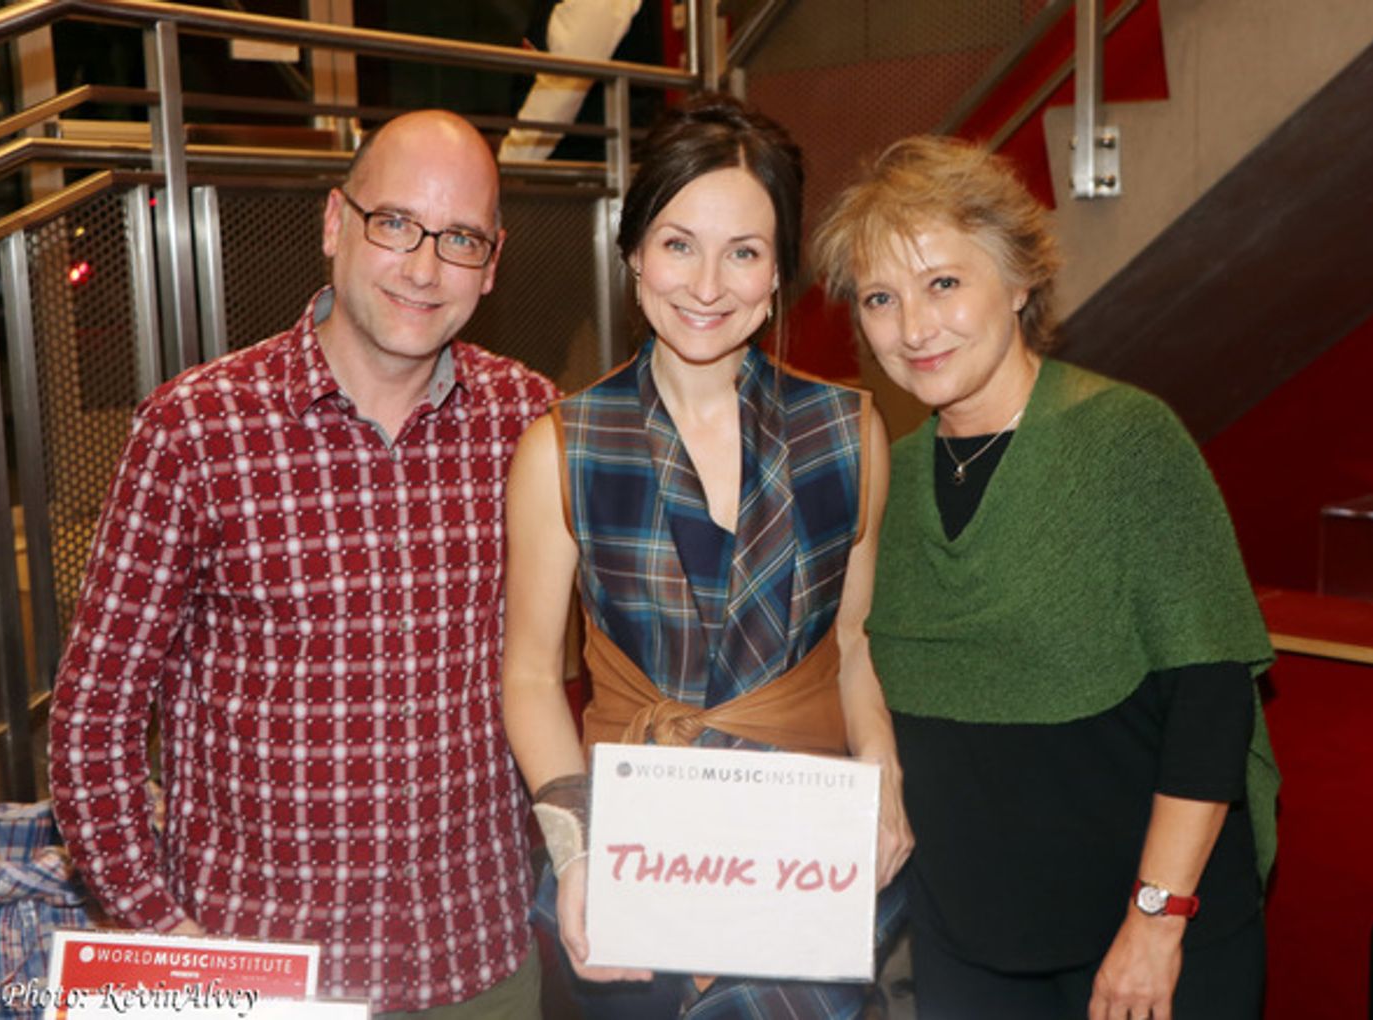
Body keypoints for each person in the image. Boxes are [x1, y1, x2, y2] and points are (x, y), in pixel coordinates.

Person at [47, 110, 560, 1018]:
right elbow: (95, 714)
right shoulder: (196, 428)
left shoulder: (531, 421)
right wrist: (161, 936)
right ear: (335, 223)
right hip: (262, 971)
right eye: (394, 223)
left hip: (481, 958)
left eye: (460, 238)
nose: (423, 265)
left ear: (492, 262)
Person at [813, 134, 1281, 1020]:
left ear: (1019, 280)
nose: (913, 328)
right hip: (967, 945)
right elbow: (859, 652)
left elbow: (1213, 697)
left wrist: (1156, 924)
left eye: (943, 283)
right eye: (881, 298)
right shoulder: (893, 475)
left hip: (1144, 943)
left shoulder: (1123, 438)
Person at [501, 93, 912, 1018]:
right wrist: (578, 852)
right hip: (631, 859)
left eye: (745, 252)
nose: (707, 285)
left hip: (795, 857)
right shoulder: (564, 444)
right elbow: (528, 676)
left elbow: (853, 645)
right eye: (679, 243)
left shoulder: (846, 433)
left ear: (779, 276)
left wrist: (883, 769)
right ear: (634, 250)